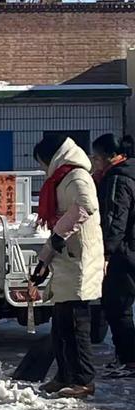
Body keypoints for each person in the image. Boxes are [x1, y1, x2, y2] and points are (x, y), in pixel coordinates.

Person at [31, 135, 104, 398]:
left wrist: (58, 237)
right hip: (66, 260)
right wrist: (43, 261)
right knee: (61, 324)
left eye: (42, 162)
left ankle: (84, 379)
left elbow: (86, 206)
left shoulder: (76, 176)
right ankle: (64, 374)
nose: (42, 168)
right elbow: (58, 229)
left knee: (75, 324)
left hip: (79, 259)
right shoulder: (62, 178)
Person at [92, 134, 135, 376]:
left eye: (96, 158)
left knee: (118, 307)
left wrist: (106, 252)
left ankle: (129, 360)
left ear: (111, 156)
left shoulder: (118, 179)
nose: (95, 163)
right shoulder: (130, 172)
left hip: (125, 251)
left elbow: (116, 219)